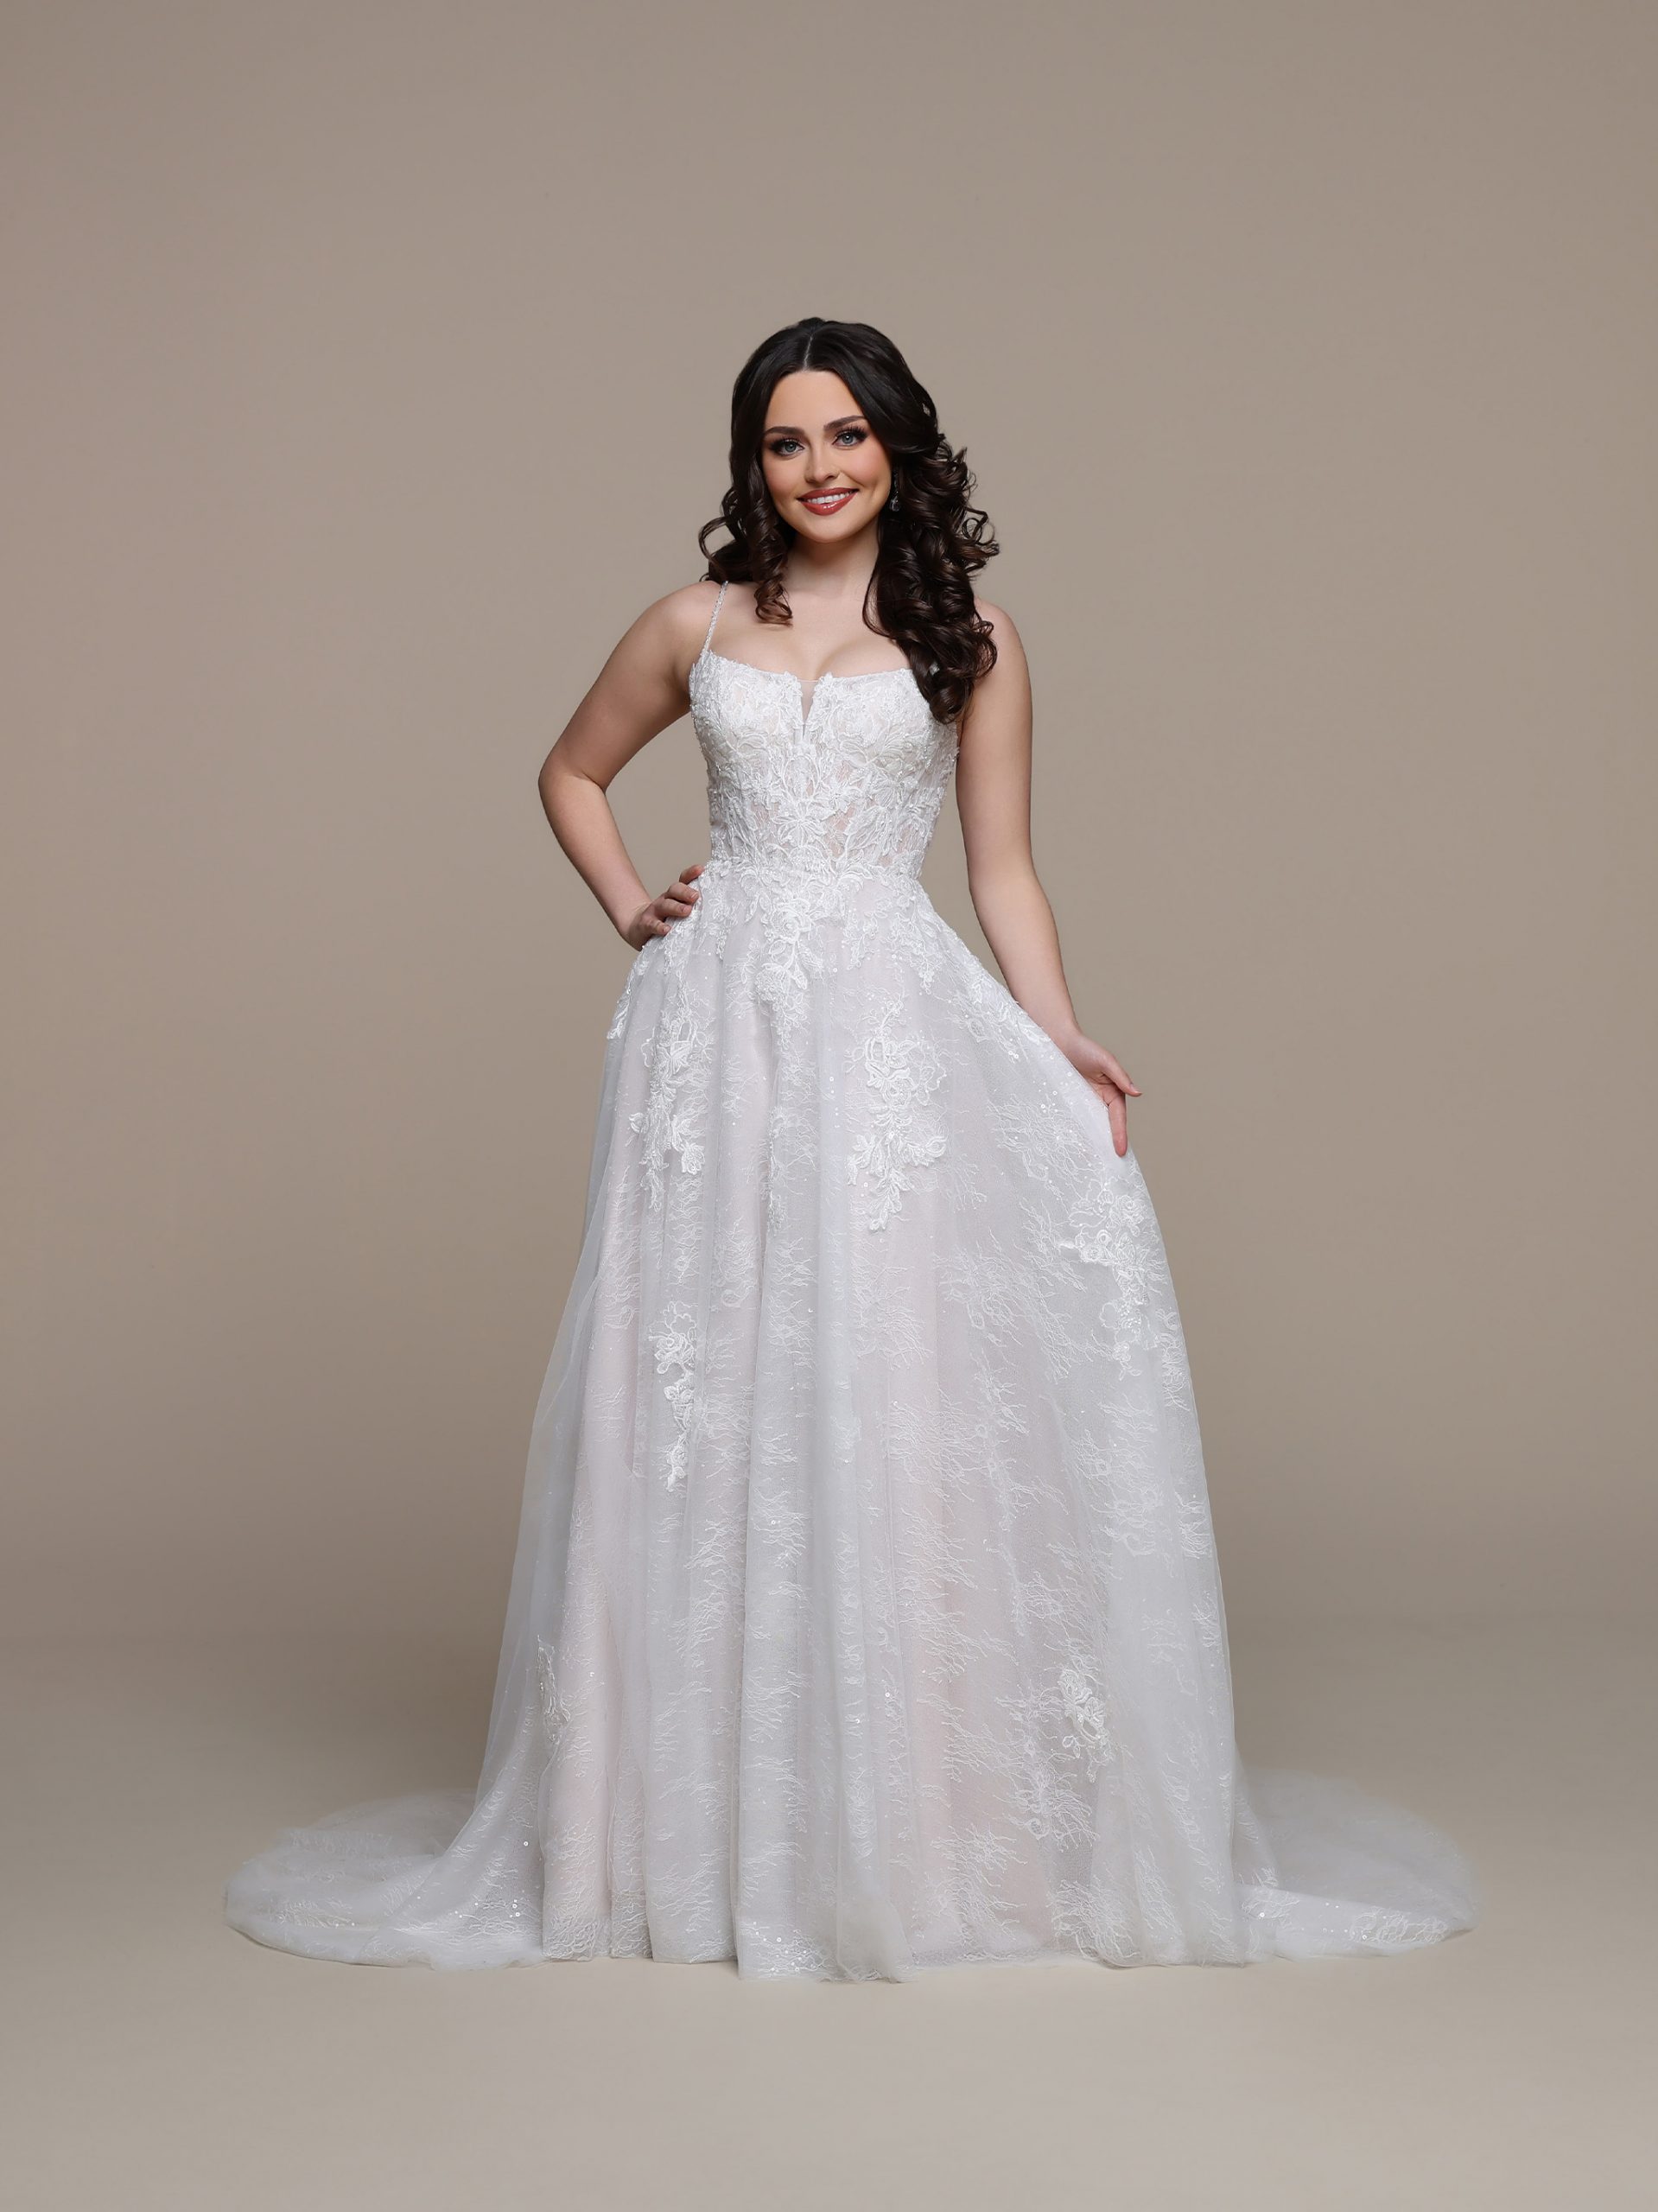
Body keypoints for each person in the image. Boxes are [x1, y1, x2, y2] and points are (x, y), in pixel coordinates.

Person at [225, 317, 1477, 1978]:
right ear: (752, 462)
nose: (818, 467)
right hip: (713, 1036)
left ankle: (898, 1828)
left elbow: (1002, 869)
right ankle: (671, 1838)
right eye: (785, 440)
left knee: (882, 1386)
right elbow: (572, 771)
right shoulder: (693, 621)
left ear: (899, 446)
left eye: (846, 435)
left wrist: (1058, 1033)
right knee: (700, 1386)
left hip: (887, 1035)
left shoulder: (974, 640)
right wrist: (631, 907)